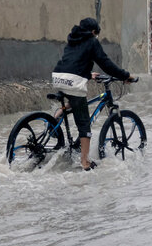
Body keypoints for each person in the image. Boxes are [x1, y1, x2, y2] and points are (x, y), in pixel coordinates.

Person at [52, 18, 134, 171]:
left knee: (73, 103)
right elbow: (105, 63)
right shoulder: (91, 41)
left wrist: (89, 75)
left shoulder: (73, 39)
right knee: (84, 124)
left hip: (58, 77)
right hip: (73, 80)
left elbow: (73, 62)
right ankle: (85, 162)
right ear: (93, 31)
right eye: (96, 33)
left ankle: (52, 122)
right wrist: (125, 76)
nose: (96, 36)